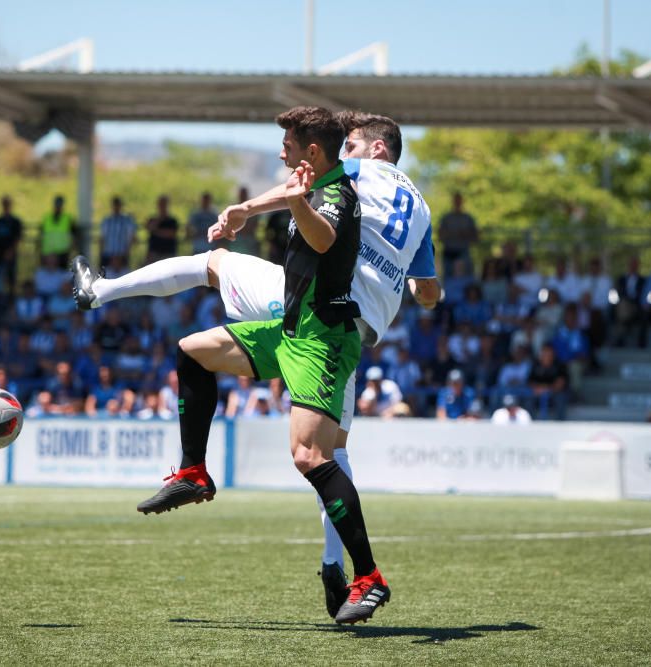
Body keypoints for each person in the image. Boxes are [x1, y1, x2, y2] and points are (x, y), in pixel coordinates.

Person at [74, 108, 438, 624]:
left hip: (325, 321)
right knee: (319, 444)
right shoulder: (419, 212)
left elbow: (320, 217)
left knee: (213, 264)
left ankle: (101, 290)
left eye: (351, 146)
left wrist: (246, 208)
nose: (344, 154)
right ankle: (330, 563)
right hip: (338, 320)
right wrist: (409, 284)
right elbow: (427, 293)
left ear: (377, 149)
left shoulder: (357, 173)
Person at [437, 192, 478, 278]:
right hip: (448, 252)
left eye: (459, 200)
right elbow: (440, 236)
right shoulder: (446, 218)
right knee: (448, 278)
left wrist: (465, 234)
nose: (457, 202)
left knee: (465, 277)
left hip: (463, 252)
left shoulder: (468, 218)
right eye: (455, 200)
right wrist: (452, 233)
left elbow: (475, 237)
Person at [0, 196, 23, 286]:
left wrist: (11, 251)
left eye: (7, 204)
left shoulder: (15, 221)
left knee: (11, 279)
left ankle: (10, 298)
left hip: (10, 255)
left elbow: (18, 238)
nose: (5, 206)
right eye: (4, 204)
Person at [40, 195, 78, 269]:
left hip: (62, 253)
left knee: (61, 275)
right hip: (48, 253)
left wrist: (71, 248)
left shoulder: (68, 219)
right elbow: (42, 235)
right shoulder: (47, 218)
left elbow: (75, 236)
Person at [99, 196, 136, 267]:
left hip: (122, 255)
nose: (116, 207)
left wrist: (127, 252)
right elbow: (102, 238)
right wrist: (101, 254)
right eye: (114, 205)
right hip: (108, 254)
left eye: (117, 205)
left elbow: (131, 237)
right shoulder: (107, 221)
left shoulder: (127, 220)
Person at [145, 195, 179, 264]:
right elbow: (150, 228)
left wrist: (156, 231)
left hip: (168, 253)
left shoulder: (172, 221)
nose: (162, 206)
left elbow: (170, 234)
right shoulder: (152, 219)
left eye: (164, 204)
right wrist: (160, 219)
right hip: (154, 253)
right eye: (160, 204)